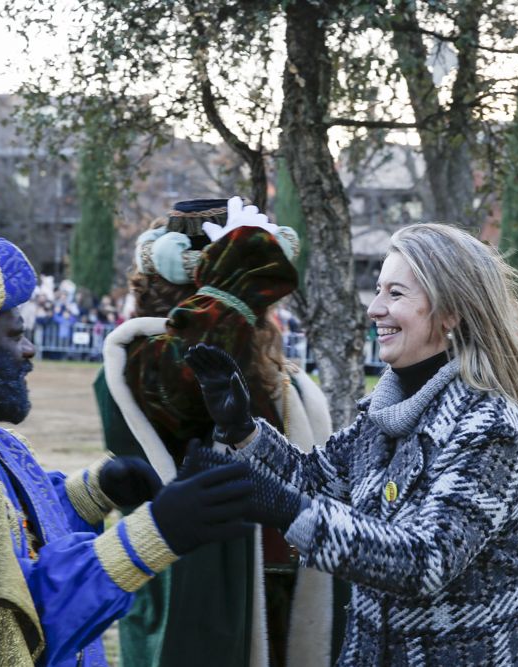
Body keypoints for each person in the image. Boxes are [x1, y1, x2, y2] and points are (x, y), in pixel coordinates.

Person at [0, 238, 253, 666]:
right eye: (16, 336)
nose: (30, 351)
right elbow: (5, 624)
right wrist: (153, 535)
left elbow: (19, 526)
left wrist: (92, 492)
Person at [186, 222, 518, 664]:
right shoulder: (386, 410)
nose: (375, 308)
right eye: (378, 291)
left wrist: (284, 508)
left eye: (396, 294)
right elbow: (313, 480)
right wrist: (244, 429)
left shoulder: (490, 423)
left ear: (452, 312)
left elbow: (426, 561)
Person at [99, 198, 339, 666]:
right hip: (203, 604)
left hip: (285, 593)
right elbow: (189, 385)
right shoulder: (142, 354)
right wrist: (231, 283)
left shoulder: (277, 370)